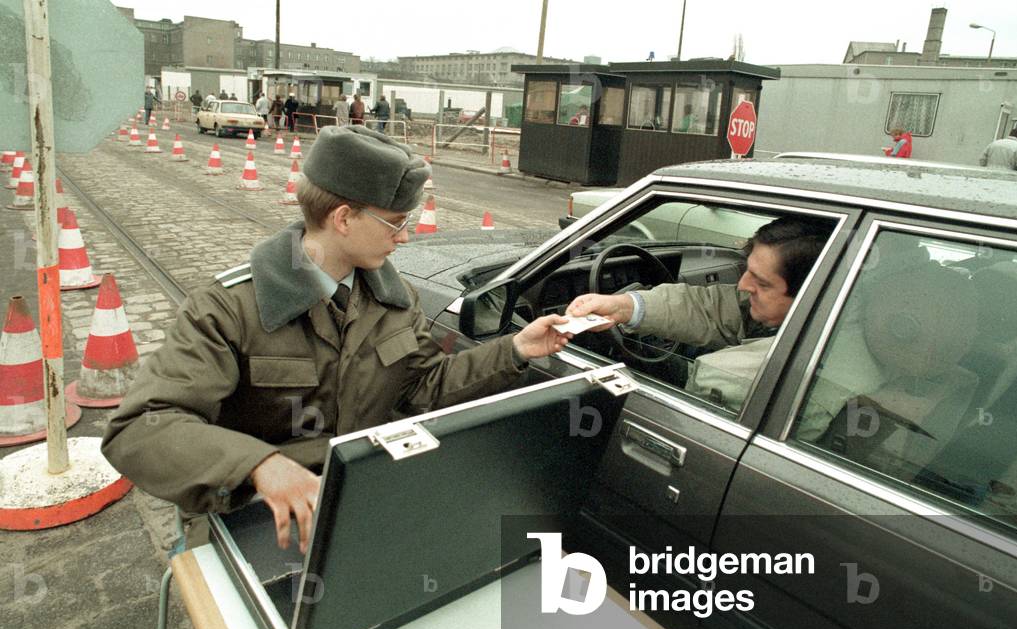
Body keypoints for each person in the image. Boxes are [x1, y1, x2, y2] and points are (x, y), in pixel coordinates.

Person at [102, 125, 573, 553]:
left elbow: (424, 386)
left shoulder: (395, 299)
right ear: (344, 219)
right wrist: (258, 465)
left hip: (353, 503)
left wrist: (515, 349)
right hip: (249, 516)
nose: (405, 239)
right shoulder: (229, 308)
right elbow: (141, 428)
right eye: (396, 223)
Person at [568, 217, 832, 414]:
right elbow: (711, 308)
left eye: (762, 284)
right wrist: (623, 306)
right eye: (747, 270)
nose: (742, 285)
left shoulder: (737, 377)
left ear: (810, 296)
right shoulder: (805, 315)